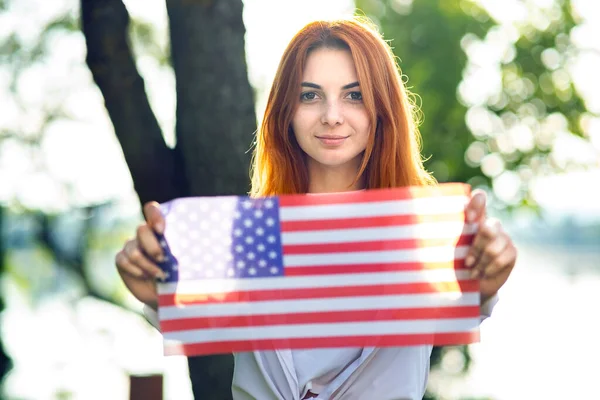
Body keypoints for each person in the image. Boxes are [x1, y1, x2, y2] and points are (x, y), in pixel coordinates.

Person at [115, 17, 517, 400]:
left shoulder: (419, 233)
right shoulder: (251, 233)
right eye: (310, 95)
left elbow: (467, 300)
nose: (331, 116)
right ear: (286, 111)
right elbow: (187, 314)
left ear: (382, 108)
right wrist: (153, 290)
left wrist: (487, 277)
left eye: (354, 95)